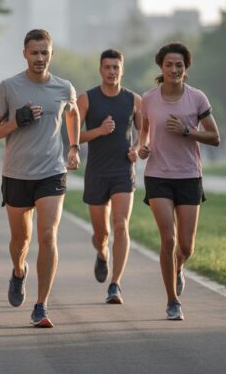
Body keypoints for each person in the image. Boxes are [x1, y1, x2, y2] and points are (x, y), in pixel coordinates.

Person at [0, 29, 80, 328]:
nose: (40, 58)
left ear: (52, 54)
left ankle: (41, 305)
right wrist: (17, 120)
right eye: (34, 52)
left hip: (51, 171)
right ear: (24, 54)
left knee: (48, 235)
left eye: (45, 53)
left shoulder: (64, 88)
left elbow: (73, 114)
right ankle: (18, 271)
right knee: (20, 239)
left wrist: (74, 147)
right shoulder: (9, 87)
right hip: (16, 173)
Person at [137, 42, 220, 321]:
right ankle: (172, 301)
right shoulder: (148, 99)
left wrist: (187, 131)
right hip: (158, 175)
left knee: (185, 247)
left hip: (189, 175)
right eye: (169, 65)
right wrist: (142, 148)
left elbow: (215, 137)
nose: (174, 69)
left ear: (186, 68)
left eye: (179, 65)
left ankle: (178, 267)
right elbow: (144, 132)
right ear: (161, 67)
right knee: (168, 239)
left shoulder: (197, 98)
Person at [77, 49, 142, 305]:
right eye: (107, 67)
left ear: (122, 70)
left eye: (116, 67)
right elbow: (74, 136)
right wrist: (100, 131)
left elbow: (144, 131)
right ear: (100, 70)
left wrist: (137, 149)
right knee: (101, 233)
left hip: (123, 171)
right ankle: (102, 253)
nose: (112, 72)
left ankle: (115, 284)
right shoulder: (87, 99)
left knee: (121, 225)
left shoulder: (134, 100)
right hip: (96, 172)